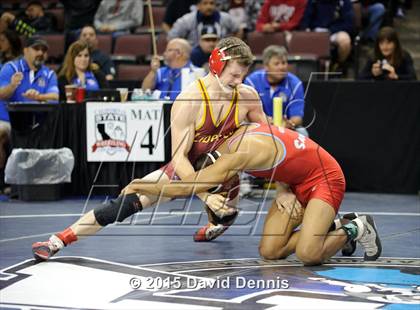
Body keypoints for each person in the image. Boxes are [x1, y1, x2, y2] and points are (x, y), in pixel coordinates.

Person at [32, 37, 272, 261]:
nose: (239, 81)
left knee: (227, 206)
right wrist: (204, 195)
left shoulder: (246, 96)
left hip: (225, 171)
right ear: (217, 66)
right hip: (186, 169)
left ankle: (217, 221)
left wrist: (284, 186)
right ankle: (57, 241)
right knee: (126, 204)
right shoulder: (191, 100)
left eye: (243, 75)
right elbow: (179, 157)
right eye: (234, 75)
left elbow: (272, 141)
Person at [120, 123, 382, 265]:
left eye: (220, 183)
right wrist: (282, 188)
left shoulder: (235, 158)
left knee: (308, 254)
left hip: (325, 178)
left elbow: (187, 187)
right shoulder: (232, 138)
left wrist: (138, 184)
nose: (226, 188)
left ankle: (357, 227)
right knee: (270, 251)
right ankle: (335, 226)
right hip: (295, 182)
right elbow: (284, 148)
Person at [0, 36, 59, 178]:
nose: (40, 53)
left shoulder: (49, 74)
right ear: (25, 50)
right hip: (8, 121)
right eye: (36, 49)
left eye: (43, 50)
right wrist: (12, 86)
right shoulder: (11, 68)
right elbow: (2, 94)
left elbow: (55, 97)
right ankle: (2, 181)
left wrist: (39, 97)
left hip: (38, 124)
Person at [245, 45, 308, 136]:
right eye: (277, 63)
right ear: (266, 66)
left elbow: (297, 117)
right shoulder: (251, 82)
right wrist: (265, 121)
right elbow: (246, 113)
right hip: (258, 125)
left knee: (303, 132)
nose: (282, 67)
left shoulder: (295, 83)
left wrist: (289, 123)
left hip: (285, 128)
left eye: (284, 63)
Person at [300, 0, 354, 71]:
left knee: (345, 41)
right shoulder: (313, 2)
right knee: (300, 38)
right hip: (315, 31)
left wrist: (330, 30)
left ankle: (338, 66)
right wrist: (307, 30)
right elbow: (306, 19)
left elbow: (348, 24)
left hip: (334, 32)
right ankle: (306, 68)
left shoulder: (344, 2)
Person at [168, 0, 240, 46]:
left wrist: (233, 46)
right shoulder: (187, 20)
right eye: (205, 3)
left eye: (211, 3)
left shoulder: (225, 18)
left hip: (221, 52)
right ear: (198, 6)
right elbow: (172, 37)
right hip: (194, 54)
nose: (209, 6)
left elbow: (239, 29)